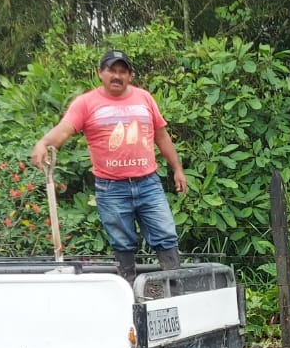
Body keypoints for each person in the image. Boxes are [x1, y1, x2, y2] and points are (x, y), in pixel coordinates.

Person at [29, 49, 187, 281]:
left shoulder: (144, 98)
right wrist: (43, 143)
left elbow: (161, 136)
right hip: (111, 188)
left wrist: (177, 169)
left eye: (123, 71)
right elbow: (63, 131)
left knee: (165, 235)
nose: (117, 76)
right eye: (112, 70)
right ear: (100, 73)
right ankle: (128, 291)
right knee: (122, 242)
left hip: (148, 184)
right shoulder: (85, 103)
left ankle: (174, 287)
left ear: (130, 76)